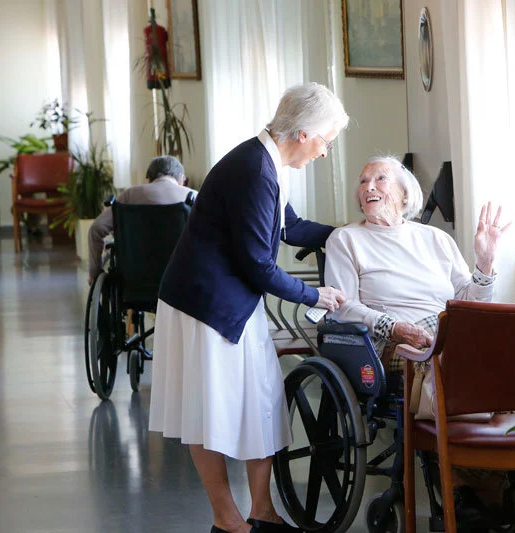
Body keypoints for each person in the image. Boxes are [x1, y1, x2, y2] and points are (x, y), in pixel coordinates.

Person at [149, 83, 348, 533]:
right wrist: (315, 295)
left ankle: (262, 511)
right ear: (303, 133)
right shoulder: (256, 169)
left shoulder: (266, 162)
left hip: (229, 296)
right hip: (205, 304)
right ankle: (228, 520)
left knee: (262, 401)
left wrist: (348, 233)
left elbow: (290, 226)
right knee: (208, 410)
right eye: (326, 141)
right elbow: (258, 266)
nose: (324, 152)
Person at [324, 155, 512, 521]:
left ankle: (484, 477)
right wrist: (392, 326)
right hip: (389, 340)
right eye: (363, 182)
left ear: (404, 192)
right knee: (446, 364)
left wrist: (485, 264)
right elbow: (342, 307)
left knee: (493, 352)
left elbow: (470, 303)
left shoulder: (435, 239)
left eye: (380, 179)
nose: (369, 187)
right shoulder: (346, 239)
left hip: (446, 332)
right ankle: (465, 484)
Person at [86, 155, 196, 283]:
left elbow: (96, 229)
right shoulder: (193, 196)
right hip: (181, 276)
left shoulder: (130, 196)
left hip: (134, 277)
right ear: (181, 179)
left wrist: (95, 273)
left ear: (149, 178)